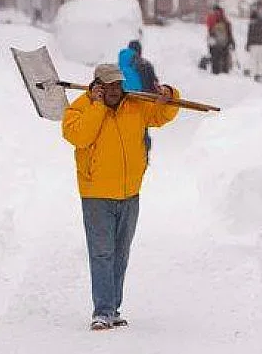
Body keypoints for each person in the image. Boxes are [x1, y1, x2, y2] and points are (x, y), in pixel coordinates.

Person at [62, 64, 180, 331]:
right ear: (98, 86)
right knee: (102, 253)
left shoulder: (136, 105)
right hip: (97, 194)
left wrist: (169, 94)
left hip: (129, 193)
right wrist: (97, 106)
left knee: (120, 254)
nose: (115, 90)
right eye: (109, 86)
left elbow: (162, 115)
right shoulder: (78, 109)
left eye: (118, 85)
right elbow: (80, 137)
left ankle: (113, 308)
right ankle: (102, 311)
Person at [207, 5, 235, 74]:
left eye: (216, 11)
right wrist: (232, 42)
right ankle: (222, 71)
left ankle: (219, 72)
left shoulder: (214, 20)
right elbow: (229, 33)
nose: (216, 13)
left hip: (219, 44)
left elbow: (229, 33)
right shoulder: (224, 21)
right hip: (221, 43)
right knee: (222, 58)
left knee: (218, 58)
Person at [245, 0, 262, 81]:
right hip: (254, 43)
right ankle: (253, 75)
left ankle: (259, 75)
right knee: (253, 59)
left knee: (260, 60)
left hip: (261, 43)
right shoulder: (253, 17)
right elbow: (250, 32)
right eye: (260, 8)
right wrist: (248, 43)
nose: (261, 10)